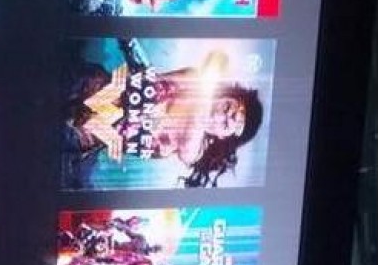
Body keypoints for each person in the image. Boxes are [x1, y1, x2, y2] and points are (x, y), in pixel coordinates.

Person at [65, 45, 264, 188]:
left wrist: (209, 76)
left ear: (222, 136)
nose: (221, 116)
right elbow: (147, 76)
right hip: (89, 86)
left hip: (84, 136)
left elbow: (196, 123)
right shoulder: (193, 78)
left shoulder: (193, 151)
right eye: (227, 107)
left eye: (227, 124)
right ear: (225, 97)